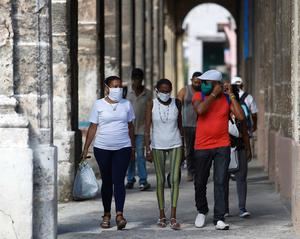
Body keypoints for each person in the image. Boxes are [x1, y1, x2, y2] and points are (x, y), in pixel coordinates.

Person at [81, 76, 135, 230]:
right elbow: (93, 127)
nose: (118, 89)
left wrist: (132, 148)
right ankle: (106, 214)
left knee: (119, 181)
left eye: (119, 86)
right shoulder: (98, 104)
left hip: (123, 147)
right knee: (107, 181)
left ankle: (119, 214)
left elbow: (131, 126)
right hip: (102, 148)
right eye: (114, 86)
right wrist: (86, 149)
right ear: (107, 88)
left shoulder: (126, 104)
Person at [192, 70, 244, 230]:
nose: (202, 85)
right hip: (202, 146)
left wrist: (232, 95)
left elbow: (240, 117)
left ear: (216, 84)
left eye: (206, 82)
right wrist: (213, 95)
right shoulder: (198, 97)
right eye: (202, 82)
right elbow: (200, 110)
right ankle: (202, 210)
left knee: (221, 181)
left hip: (222, 145)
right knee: (200, 181)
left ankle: (219, 217)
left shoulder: (227, 99)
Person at [145, 79, 183, 230]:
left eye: (168, 91)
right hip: (157, 145)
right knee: (160, 180)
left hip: (176, 143)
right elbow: (147, 128)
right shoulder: (151, 104)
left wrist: (184, 145)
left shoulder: (177, 103)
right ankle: (162, 216)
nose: (165, 93)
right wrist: (147, 149)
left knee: (174, 179)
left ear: (171, 90)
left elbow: (180, 124)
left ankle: (173, 216)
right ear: (156, 90)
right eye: (162, 90)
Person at [126, 68, 152, 191]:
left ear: (142, 80)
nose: (136, 81)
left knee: (140, 155)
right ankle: (130, 179)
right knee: (130, 155)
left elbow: (150, 112)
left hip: (141, 129)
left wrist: (149, 131)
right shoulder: (128, 94)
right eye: (134, 79)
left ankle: (143, 180)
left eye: (138, 79)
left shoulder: (148, 94)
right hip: (129, 130)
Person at [177, 71, 202, 181]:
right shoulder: (185, 90)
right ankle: (190, 171)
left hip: (200, 125)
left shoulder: (203, 91)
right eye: (195, 82)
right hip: (187, 125)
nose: (197, 84)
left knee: (199, 149)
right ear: (191, 80)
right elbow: (177, 106)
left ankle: (198, 171)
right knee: (189, 149)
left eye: (199, 82)